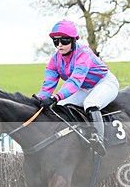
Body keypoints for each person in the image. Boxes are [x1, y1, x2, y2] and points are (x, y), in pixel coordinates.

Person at [35, 20, 120, 155]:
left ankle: (98, 139)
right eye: (56, 41)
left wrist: (55, 97)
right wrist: (39, 100)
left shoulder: (83, 53)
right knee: (60, 106)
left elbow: (75, 81)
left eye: (64, 41)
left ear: (74, 40)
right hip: (84, 88)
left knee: (90, 103)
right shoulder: (55, 60)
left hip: (104, 83)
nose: (60, 45)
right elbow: (48, 85)